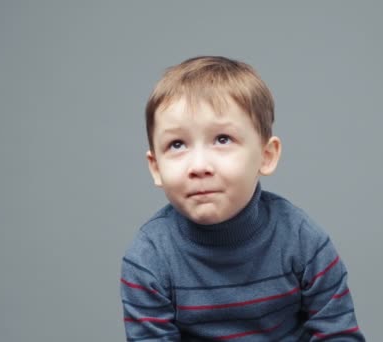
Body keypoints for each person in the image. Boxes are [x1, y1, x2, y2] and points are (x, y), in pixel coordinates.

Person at [120, 56, 365, 341]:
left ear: (266, 155)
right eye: (177, 144)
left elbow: (339, 334)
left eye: (222, 139)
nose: (199, 166)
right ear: (156, 167)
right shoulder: (149, 258)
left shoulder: (302, 240)